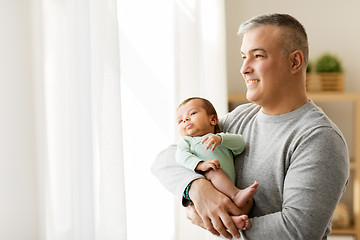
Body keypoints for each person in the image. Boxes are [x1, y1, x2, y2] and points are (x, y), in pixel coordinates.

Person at [152, 13, 349, 240]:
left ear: (294, 61)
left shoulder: (320, 139)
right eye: (244, 57)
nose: (244, 68)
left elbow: (297, 231)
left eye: (258, 56)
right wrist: (197, 188)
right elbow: (165, 159)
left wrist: (216, 222)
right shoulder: (240, 118)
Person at [176, 97, 259, 230]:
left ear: (213, 119)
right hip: (207, 182)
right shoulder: (187, 142)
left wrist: (221, 139)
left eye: (192, 113)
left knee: (249, 203)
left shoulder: (221, 138)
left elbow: (240, 145)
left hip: (224, 191)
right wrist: (200, 165)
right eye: (180, 120)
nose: (185, 119)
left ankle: (234, 221)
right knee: (213, 169)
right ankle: (236, 195)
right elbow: (181, 156)